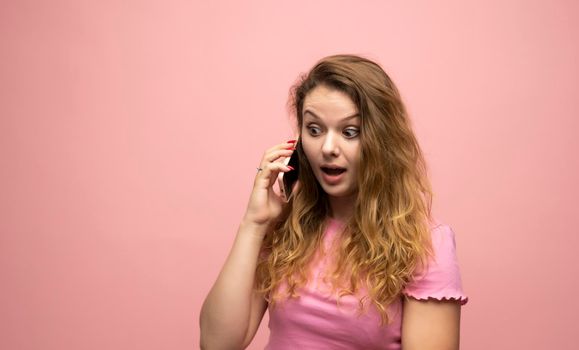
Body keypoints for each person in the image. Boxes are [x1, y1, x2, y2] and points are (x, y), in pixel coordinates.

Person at [200, 54, 468, 349]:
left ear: (384, 139)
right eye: (314, 130)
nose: (327, 148)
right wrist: (254, 224)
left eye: (349, 132)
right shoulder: (286, 226)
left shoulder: (426, 242)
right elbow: (216, 344)